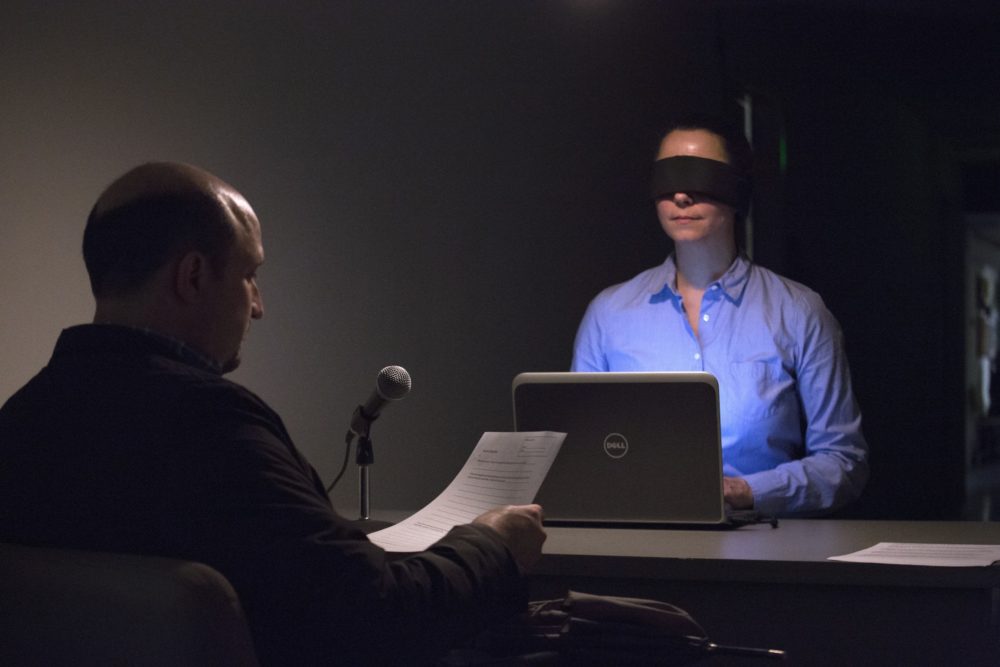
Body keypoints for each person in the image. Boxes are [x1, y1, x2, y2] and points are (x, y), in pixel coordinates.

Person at [0, 162, 546, 666]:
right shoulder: (209, 424)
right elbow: (376, 619)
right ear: (192, 277)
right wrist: (491, 546)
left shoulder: (21, 420)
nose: (258, 305)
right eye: (249, 275)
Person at [571, 114, 869, 516]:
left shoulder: (798, 312)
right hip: (637, 544)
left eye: (699, 178)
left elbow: (843, 462)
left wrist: (746, 491)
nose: (681, 197)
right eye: (667, 179)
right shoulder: (608, 315)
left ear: (737, 190)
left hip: (762, 550)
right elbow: (582, 451)